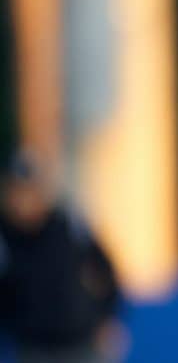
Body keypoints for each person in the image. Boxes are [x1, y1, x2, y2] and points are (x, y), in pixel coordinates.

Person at [0, 150, 125, 363]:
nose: (23, 200)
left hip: (82, 344)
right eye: (17, 191)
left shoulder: (67, 224)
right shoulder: (6, 237)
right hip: (34, 350)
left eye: (29, 190)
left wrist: (108, 317)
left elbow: (106, 270)